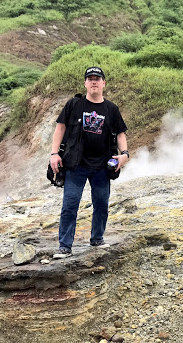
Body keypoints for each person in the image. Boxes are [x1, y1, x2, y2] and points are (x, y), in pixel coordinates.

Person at [50, 66, 129, 258]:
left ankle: (97, 238)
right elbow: (60, 129)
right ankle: (65, 246)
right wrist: (54, 153)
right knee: (70, 204)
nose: (94, 81)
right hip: (75, 165)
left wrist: (125, 153)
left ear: (103, 83)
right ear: (85, 83)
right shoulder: (74, 104)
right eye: (90, 78)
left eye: (97, 78)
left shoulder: (111, 109)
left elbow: (120, 134)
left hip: (102, 165)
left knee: (101, 203)